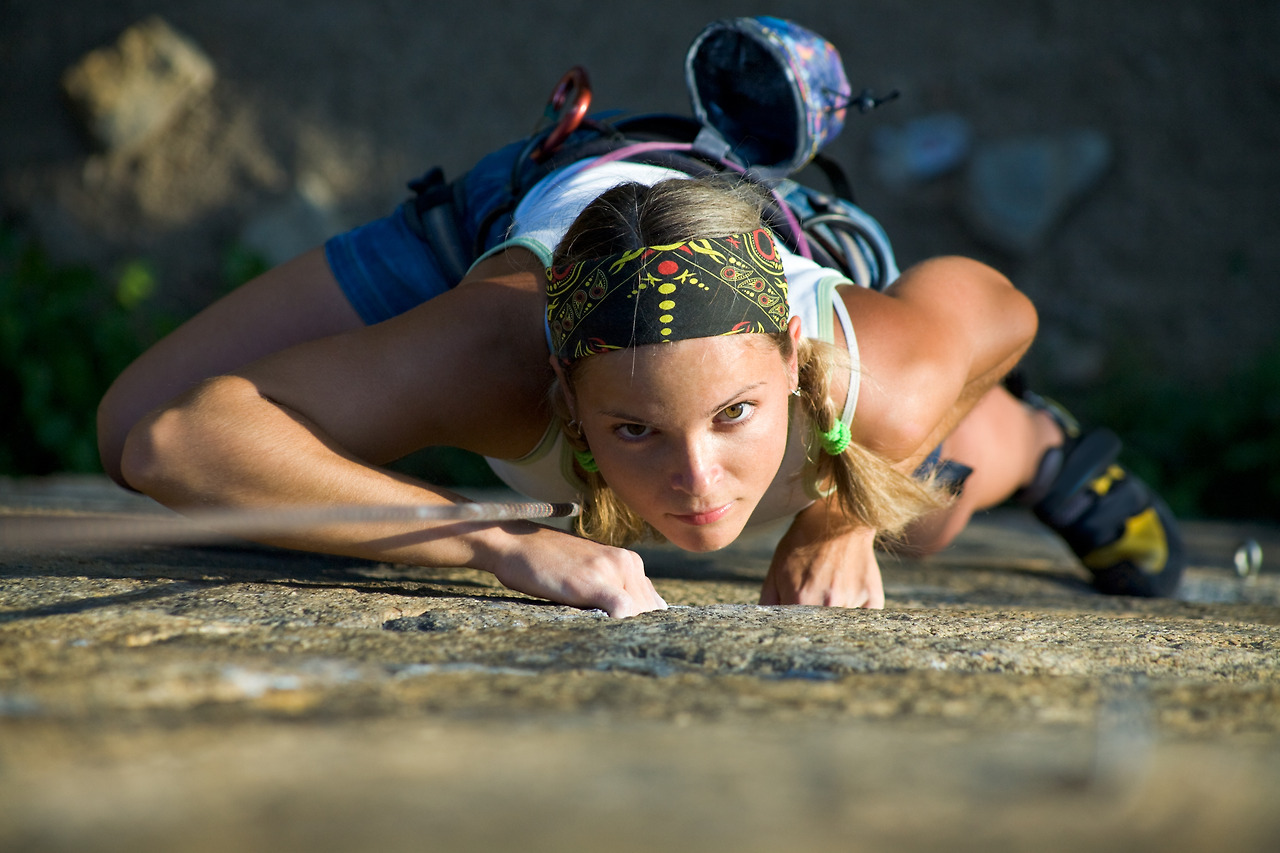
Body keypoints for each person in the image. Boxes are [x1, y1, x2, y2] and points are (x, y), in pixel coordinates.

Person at [96, 17, 1185, 617]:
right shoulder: (493, 357)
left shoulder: (868, 375)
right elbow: (169, 436)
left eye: (731, 416)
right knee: (127, 419)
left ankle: (1043, 451)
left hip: (778, 264)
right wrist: (487, 542)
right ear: (561, 395)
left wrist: (839, 518)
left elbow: (1000, 309)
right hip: (514, 214)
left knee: (924, 503)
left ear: (794, 355)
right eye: (631, 431)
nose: (697, 487)